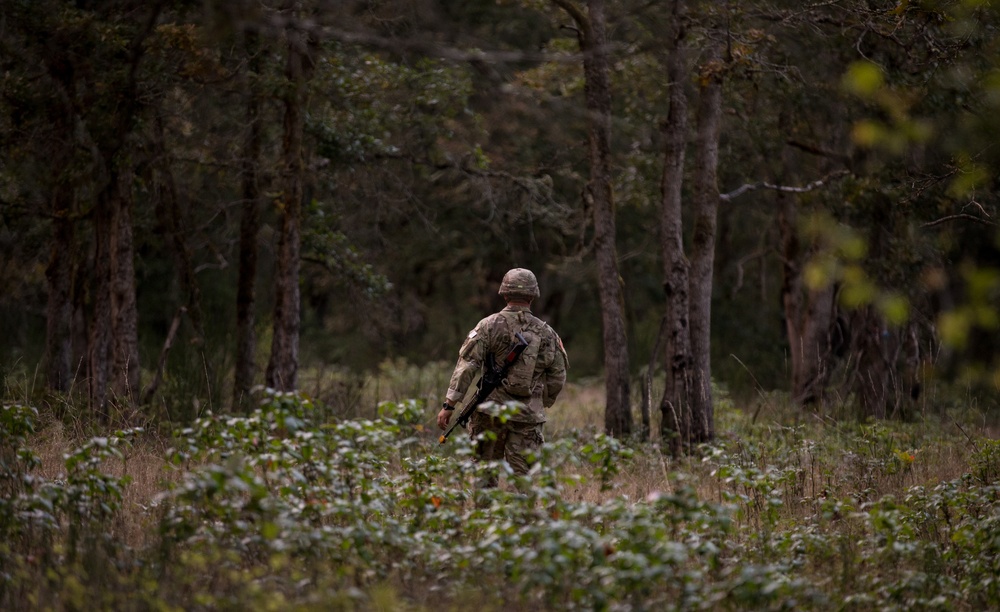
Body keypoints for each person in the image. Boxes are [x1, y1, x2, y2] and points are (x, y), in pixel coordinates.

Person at [437, 268, 568, 487]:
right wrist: (541, 401)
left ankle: (485, 520)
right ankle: (520, 520)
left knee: (485, 477)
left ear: (504, 294)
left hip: (489, 413)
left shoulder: (487, 325)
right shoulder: (547, 333)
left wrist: (449, 404)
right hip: (527, 417)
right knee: (522, 481)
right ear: (533, 295)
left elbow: (467, 366)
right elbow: (557, 376)